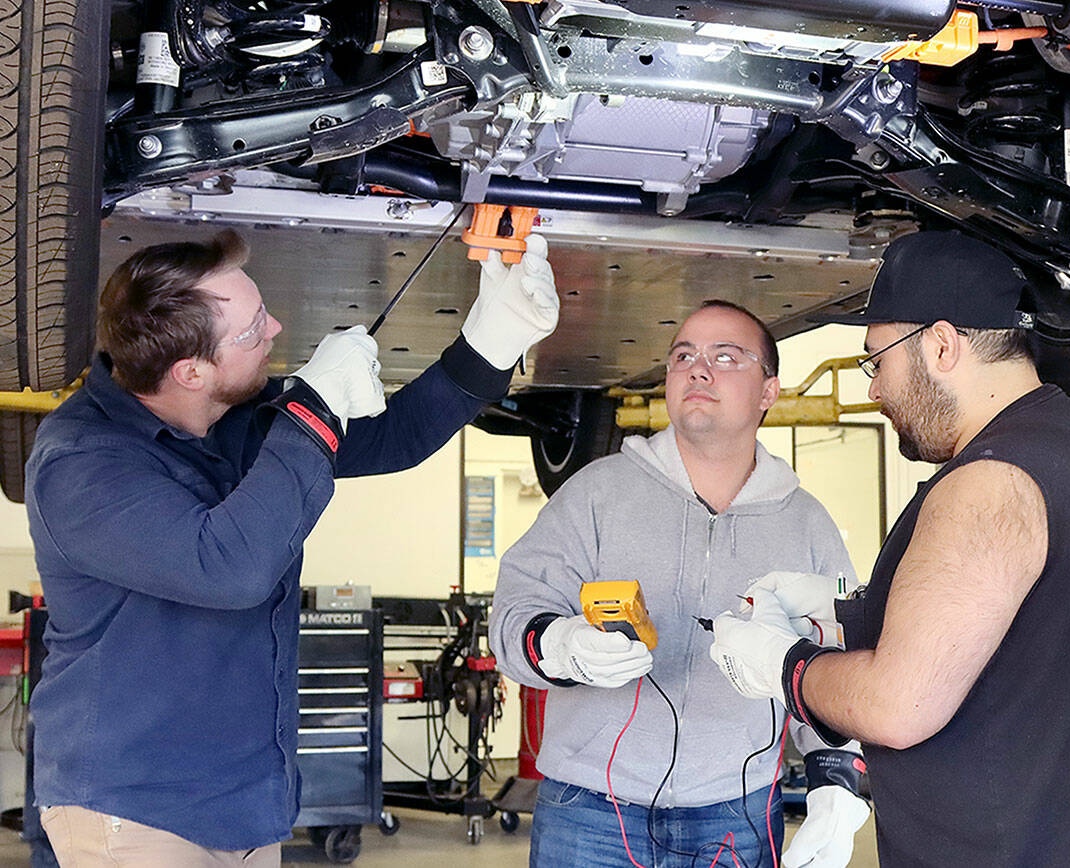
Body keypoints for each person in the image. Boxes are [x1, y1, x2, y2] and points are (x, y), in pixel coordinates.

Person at [25, 228, 558, 865]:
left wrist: (493, 338)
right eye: (253, 329)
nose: (276, 327)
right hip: (136, 807)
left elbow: (393, 438)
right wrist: (312, 410)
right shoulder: (84, 464)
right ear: (191, 370)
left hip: (246, 803)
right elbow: (229, 567)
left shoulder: (232, 417)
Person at [707, 230, 1070, 867]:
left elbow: (898, 705)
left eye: (877, 360)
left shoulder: (989, 481)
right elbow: (1022, 638)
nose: (874, 389)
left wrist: (785, 666)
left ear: (939, 344)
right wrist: (850, 612)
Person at [489, 299, 872, 868]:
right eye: (683, 356)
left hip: (734, 813)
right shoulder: (597, 494)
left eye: (726, 356)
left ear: (769, 391)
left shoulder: (806, 524)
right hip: (589, 809)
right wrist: (559, 646)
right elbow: (516, 610)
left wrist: (838, 782)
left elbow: (838, 666)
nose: (698, 368)